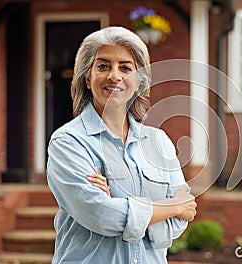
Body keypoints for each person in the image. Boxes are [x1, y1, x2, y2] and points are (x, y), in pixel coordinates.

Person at [47, 26, 197, 264]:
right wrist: (173, 207)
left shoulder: (158, 142)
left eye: (125, 68)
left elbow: (180, 223)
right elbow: (101, 214)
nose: (114, 75)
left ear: (138, 81)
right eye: (103, 66)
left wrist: (122, 208)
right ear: (87, 78)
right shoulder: (68, 142)